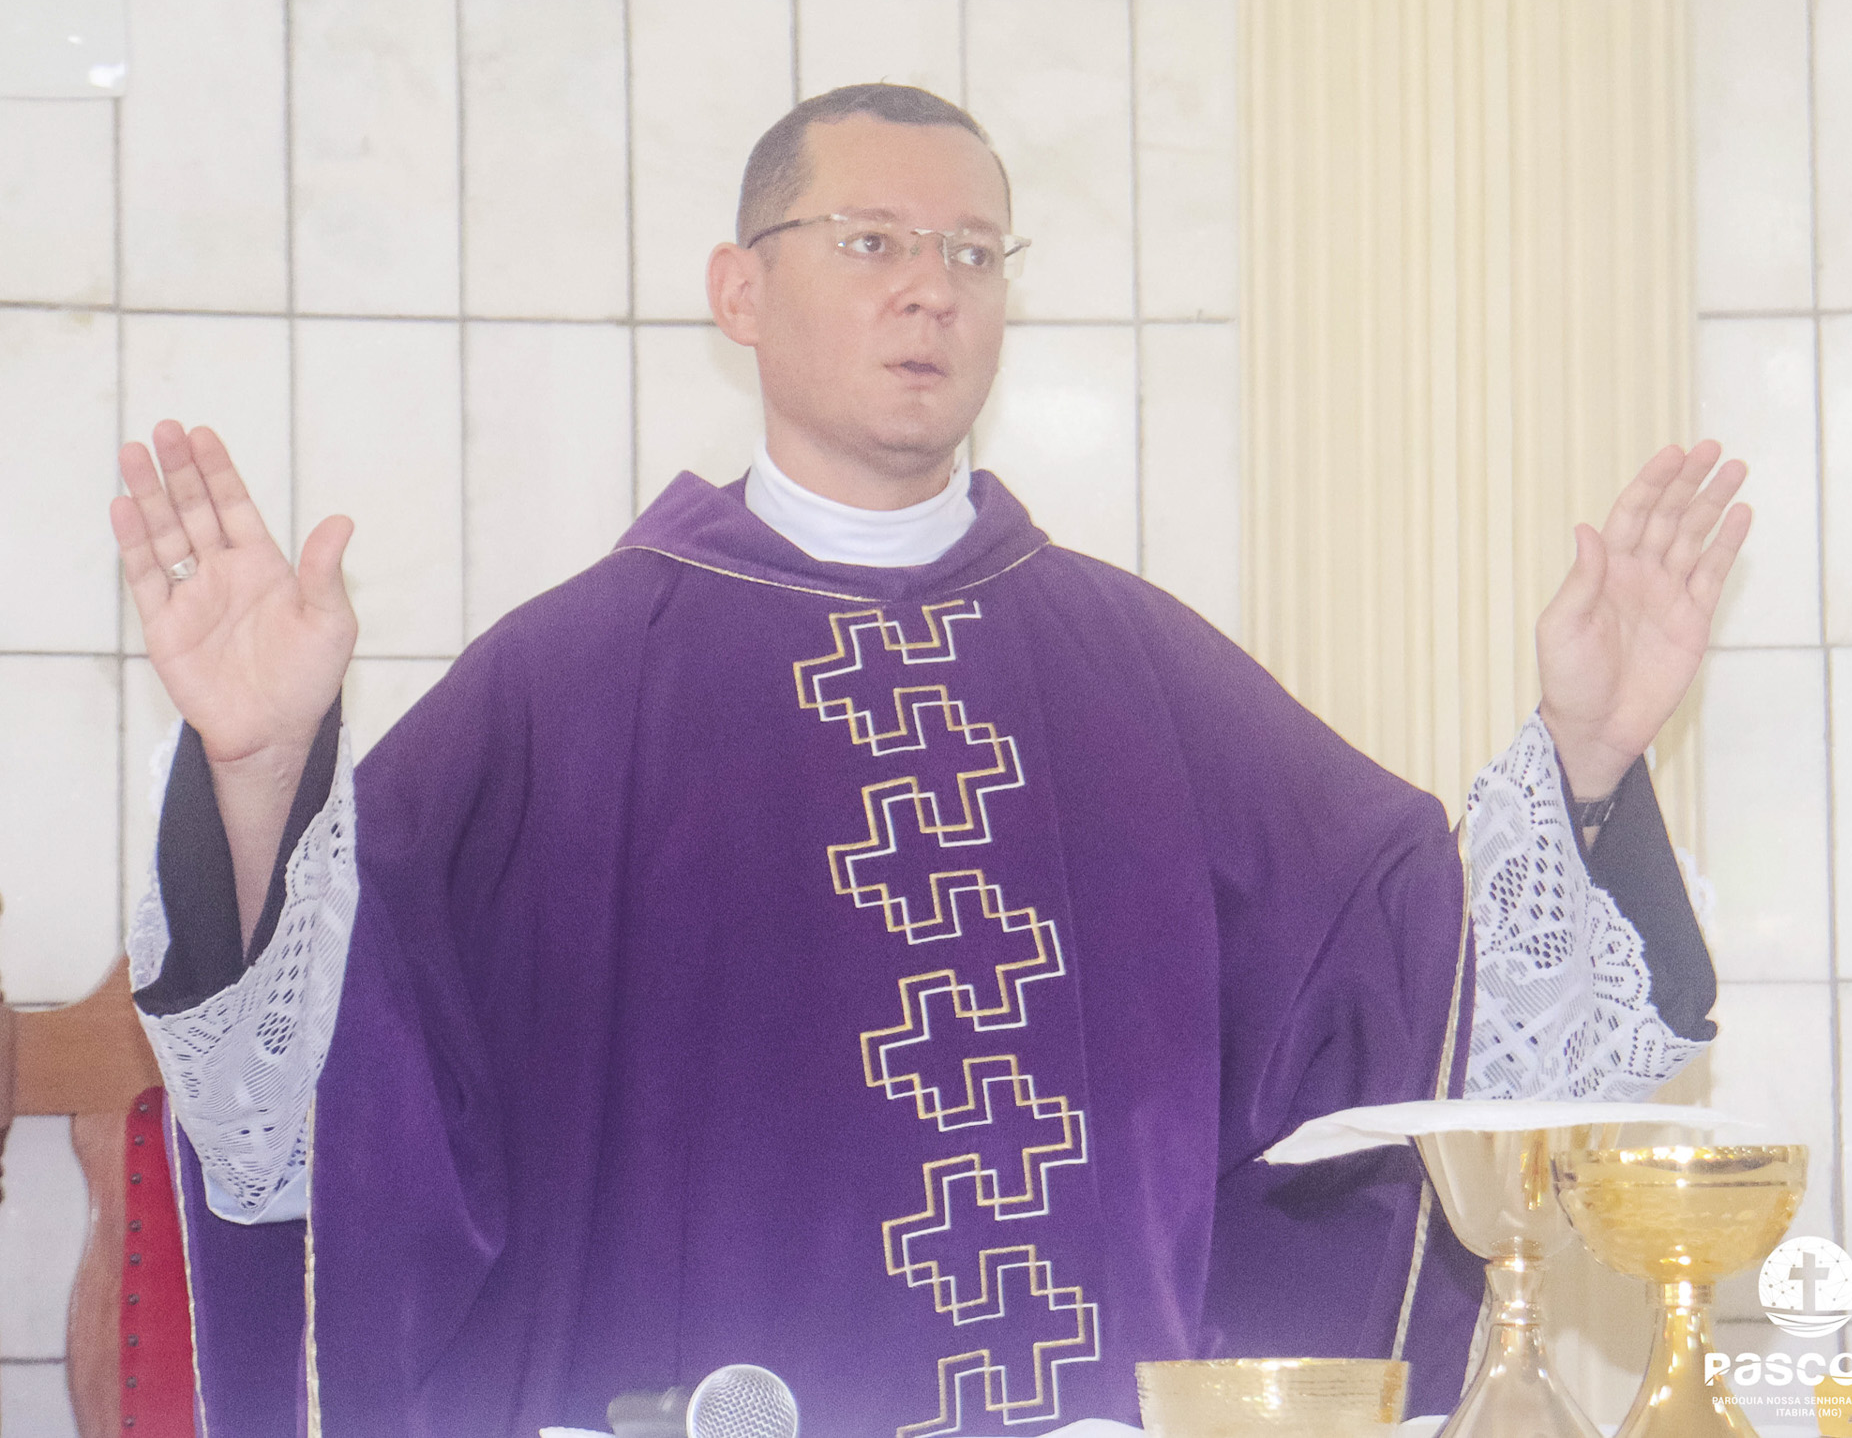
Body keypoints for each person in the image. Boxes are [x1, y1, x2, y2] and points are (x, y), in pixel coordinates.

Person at [110, 85, 1743, 1438]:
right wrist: (257, 770)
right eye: (873, 241)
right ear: (739, 293)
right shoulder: (568, 683)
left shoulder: (1147, 673)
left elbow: (1423, 1002)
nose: (933, 289)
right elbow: (327, 1071)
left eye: (973, 252)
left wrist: (1590, 756)